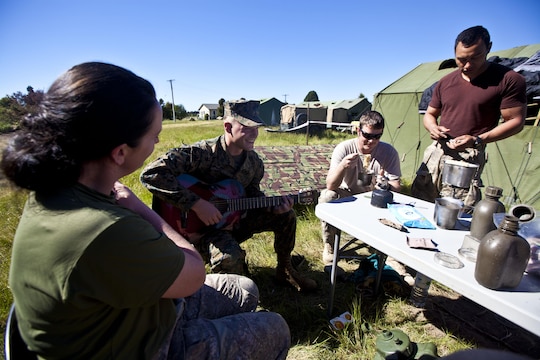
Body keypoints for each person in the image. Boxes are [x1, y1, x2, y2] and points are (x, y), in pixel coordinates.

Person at [1, 62, 290, 359]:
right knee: (275, 326)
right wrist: (143, 208)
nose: (158, 142)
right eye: (154, 135)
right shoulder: (108, 229)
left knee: (245, 289)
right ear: (121, 152)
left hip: (132, 314)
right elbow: (192, 274)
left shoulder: (51, 195)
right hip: (143, 344)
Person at [140, 99, 317, 292]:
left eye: (256, 127)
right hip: (196, 231)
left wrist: (273, 206)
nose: (254, 134)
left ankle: (285, 269)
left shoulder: (254, 163)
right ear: (227, 126)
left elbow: (253, 195)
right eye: (247, 127)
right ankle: (225, 291)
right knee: (230, 259)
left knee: (287, 216)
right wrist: (197, 204)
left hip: (234, 219)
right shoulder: (201, 154)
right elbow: (151, 174)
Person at [411, 25, 527, 206]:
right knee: (420, 202)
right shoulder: (445, 82)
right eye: (461, 59)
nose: (467, 65)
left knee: (455, 208)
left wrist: (477, 140)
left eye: (475, 58)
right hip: (437, 151)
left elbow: (516, 121)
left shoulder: (508, 79)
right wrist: (432, 127)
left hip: (467, 156)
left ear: (488, 48)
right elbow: (430, 114)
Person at [318, 110, 401, 264]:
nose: (372, 141)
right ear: (358, 131)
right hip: (348, 195)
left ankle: (394, 258)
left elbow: (397, 186)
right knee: (327, 196)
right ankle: (329, 247)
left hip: (374, 198)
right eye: (368, 136)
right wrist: (343, 166)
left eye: (377, 136)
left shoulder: (389, 152)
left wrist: (385, 185)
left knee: (400, 207)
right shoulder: (344, 148)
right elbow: (330, 185)